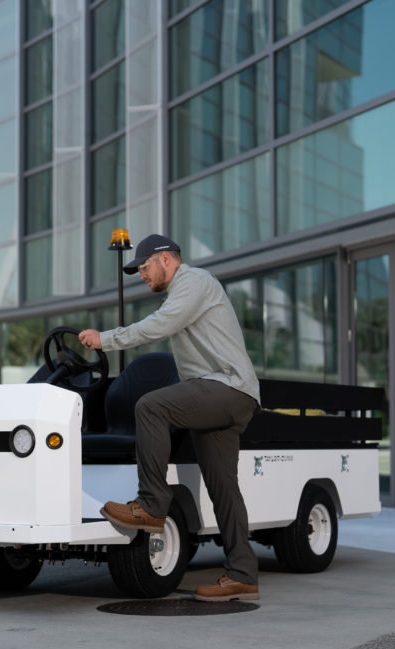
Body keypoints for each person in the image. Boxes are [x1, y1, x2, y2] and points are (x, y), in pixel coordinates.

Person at [79, 234, 261, 602]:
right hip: (223, 392)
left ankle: (150, 505)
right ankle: (243, 574)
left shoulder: (193, 281)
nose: (142, 276)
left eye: (144, 267)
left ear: (165, 259)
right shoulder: (183, 290)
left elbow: (160, 325)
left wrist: (106, 339)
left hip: (227, 387)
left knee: (151, 406)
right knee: (223, 488)